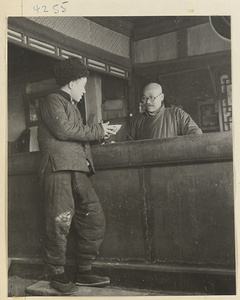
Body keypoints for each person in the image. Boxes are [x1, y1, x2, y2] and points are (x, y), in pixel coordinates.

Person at [37, 57, 116, 295]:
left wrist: (100, 134)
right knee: (59, 221)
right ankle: (56, 273)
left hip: (77, 169)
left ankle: (84, 271)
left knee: (94, 219)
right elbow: (64, 131)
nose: (83, 91)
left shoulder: (71, 105)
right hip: (57, 169)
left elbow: (75, 134)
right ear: (71, 83)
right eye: (82, 85)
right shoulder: (52, 101)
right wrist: (97, 130)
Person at [129, 82, 202, 140]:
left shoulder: (177, 114)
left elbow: (197, 136)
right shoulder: (137, 121)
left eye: (151, 97)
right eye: (144, 98)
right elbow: (129, 145)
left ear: (161, 97)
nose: (147, 102)